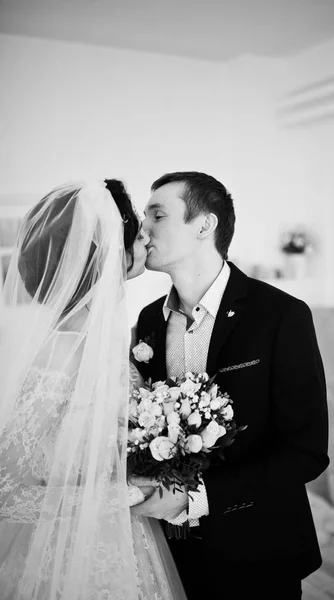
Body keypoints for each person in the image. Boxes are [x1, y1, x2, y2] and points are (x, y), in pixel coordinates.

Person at [130, 171, 329, 599]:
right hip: (170, 556)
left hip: (258, 550)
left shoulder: (280, 316)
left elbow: (306, 451)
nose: (143, 229)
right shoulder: (148, 322)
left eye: (157, 215)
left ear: (205, 225)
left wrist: (195, 498)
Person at [0, 179, 186, 599]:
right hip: (65, 559)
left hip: (131, 543)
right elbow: (6, 493)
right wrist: (127, 494)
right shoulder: (60, 350)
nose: (145, 239)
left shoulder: (108, 339)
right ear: (107, 252)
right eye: (137, 232)